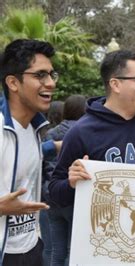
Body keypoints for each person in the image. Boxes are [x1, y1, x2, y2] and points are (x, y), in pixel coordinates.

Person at [49, 50, 135, 208]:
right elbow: (55, 193)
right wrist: (72, 183)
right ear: (115, 84)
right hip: (98, 229)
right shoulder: (81, 132)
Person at [0, 39, 56, 265]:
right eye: (40, 75)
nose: (51, 83)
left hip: (32, 249)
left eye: (52, 75)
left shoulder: (35, 129)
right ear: (13, 82)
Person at [43, 95, 86, 265]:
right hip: (72, 196)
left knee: (54, 249)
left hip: (50, 195)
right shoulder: (84, 131)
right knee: (72, 250)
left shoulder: (50, 133)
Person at [39, 99, 64, 266]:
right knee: (67, 247)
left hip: (47, 197)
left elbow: (45, 167)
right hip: (67, 193)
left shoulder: (45, 134)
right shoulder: (79, 131)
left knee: (49, 247)